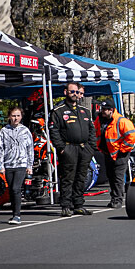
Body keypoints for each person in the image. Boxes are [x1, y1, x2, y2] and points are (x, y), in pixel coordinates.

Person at [50, 82, 96, 217]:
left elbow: (92, 130)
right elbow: (54, 131)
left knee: (81, 177)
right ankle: (65, 205)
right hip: (69, 148)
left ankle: (79, 204)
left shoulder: (85, 110)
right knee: (68, 178)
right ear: (66, 92)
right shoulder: (58, 111)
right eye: (72, 92)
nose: (75, 94)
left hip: (84, 148)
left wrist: (91, 147)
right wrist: (62, 148)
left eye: (77, 92)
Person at [94, 101, 135, 209]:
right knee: (111, 176)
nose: (102, 111)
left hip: (119, 154)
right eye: (102, 109)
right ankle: (114, 198)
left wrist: (122, 150)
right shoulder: (100, 120)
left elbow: (132, 136)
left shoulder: (121, 121)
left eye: (105, 109)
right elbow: (96, 132)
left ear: (111, 110)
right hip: (107, 152)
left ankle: (117, 200)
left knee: (118, 177)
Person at [0, 107, 34, 225]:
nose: (15, 118)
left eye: (18, 116)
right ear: (9, 117)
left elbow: (30, 148)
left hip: (21, 164)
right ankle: (14, 213)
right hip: (8, 164)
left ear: (21, 117)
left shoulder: (25, 131)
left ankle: (17, 215)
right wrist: (0, 165)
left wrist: (29, 165)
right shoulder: (4, 131)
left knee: (15, 188)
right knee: (11, 190)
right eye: (13, 115)